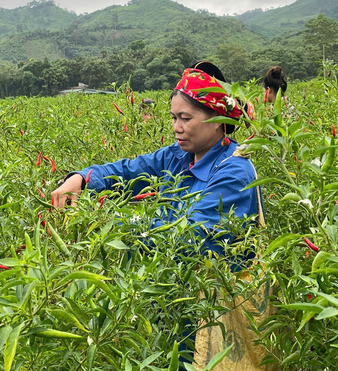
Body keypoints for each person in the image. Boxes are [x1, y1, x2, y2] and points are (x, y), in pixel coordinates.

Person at [51, 62, 259, 259]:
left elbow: (190, 240)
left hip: (214, 292)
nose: (176, 128)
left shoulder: (234, 171)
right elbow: (127, 172)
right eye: (173, 118)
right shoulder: (176, 156)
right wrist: (82, 179)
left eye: (185, 119)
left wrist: (110, 222)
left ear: (217, 120)